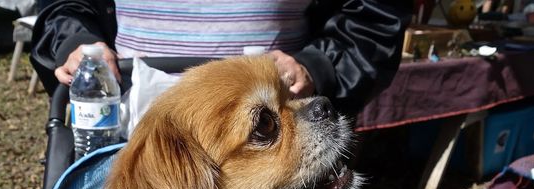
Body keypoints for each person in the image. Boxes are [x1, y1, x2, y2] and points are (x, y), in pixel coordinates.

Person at [30, 0, 412, 117]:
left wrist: (315, 65)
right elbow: (65, 5)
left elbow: (371, 18)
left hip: (266, 143)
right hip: (138, 137)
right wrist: (76, 40)